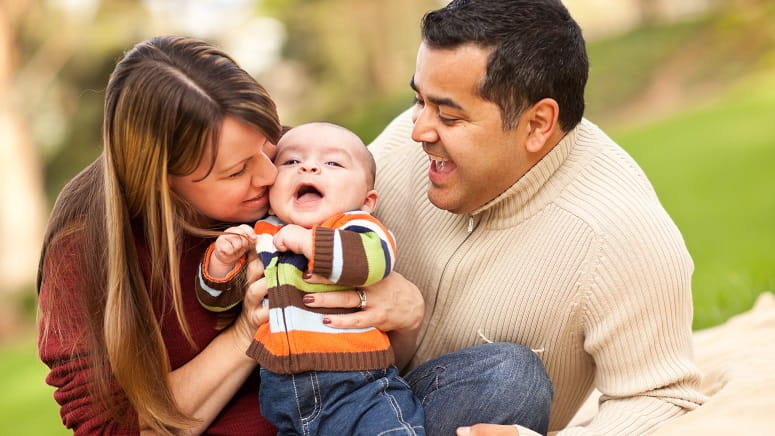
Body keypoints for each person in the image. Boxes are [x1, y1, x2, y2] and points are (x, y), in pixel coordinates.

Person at [302, 0, 709, 435]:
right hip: (322, 390)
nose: (418, 129)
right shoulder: (406, 142)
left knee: (510, 381)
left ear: (537, 124)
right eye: (418, 100)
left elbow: (662, 396)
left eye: (449, 116)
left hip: (428, 412)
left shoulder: (619, 233)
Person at [36, 35, 286, 434]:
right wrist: (247, 331)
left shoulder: (298, 162)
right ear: (161, 184)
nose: (271, 174)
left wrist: (404, 308)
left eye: (266, 144)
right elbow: (111, 428)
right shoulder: (82, 246)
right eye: (237, 171)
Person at [195, 122, 424, 435]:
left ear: (367, 200)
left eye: (333, 163)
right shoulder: (261, 234)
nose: (309, 167)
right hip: (284, 401)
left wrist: (309, 243)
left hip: (360, 389)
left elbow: (374, 262)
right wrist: (221, 263)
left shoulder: (356, 226)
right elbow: (219, 303)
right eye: (290, 162)